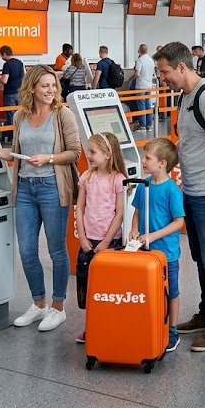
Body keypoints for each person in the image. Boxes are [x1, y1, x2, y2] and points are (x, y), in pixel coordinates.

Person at [0, 65, 81, 331]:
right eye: (45, 85)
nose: (50, 90)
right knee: (27, 250)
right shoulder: (20, 115)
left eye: (53, 85)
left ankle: (58, 307)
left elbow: (75, 152)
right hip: (25, 189)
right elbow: (16, 152)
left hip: (52, 187)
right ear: (32, 88)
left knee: (56, 250)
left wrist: (49, 158)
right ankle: (39, 303)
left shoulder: (62, 114)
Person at [153, 42, 205, 353]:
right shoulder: (184, 96)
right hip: (190, 190)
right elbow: (186, 142)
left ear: (182, 67)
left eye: (164, 72)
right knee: (201, 258)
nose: (162, 78)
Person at [130, 137, 186, 352]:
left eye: (147, 158)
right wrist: (134, 229)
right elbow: (136, 212)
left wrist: (152, 236)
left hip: (167, 253)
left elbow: (178, 222)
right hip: (145, 251)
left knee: (171, 291)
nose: (143, 161)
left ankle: (172, 330)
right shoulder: (143, 186)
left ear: (162, 163)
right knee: (147, 289)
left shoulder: (172, 191)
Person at [73, 132, 127, 345]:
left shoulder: (118, 179)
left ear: (107, 155)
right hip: (88, 242)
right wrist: (82, 237)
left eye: (93, 152)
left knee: (109, 289)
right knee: (88, 288)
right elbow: (79, 208)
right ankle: (92, 327)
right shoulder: (86, 176)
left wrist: (105, 242)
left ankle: (110, 325)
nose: (89, 155)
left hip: (110, 243)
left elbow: (120, 213)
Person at [0, 45, 24, 142]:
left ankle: (11, 137)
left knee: (11, 115)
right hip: (20, 92)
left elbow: (4, 80)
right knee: (20, 114)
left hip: (9, 93)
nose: (1, 57)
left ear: (4, 54)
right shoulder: (19, 63)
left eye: (1, 55)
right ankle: (20, 135)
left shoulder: (7, 65)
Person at [131, 44, 155, 131]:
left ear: (139, 51)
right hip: (149, 85)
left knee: (141, 106)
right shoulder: (151, 60)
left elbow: (137, 74)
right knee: (148, 104)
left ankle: (142, 126)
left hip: (141, 86)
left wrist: (131, 78)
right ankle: (149, 125)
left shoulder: (139, 60)